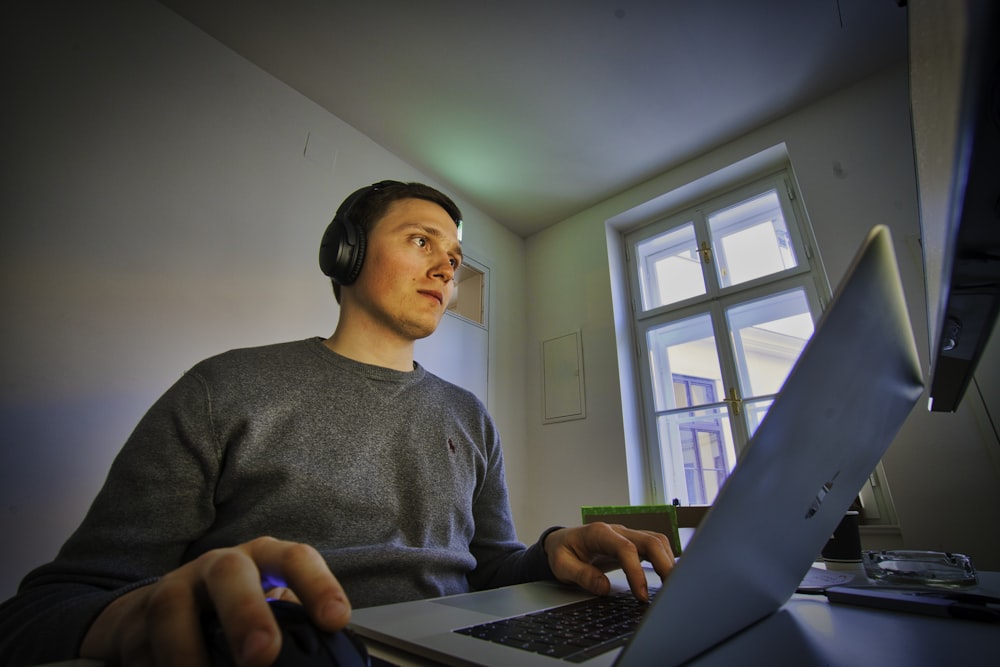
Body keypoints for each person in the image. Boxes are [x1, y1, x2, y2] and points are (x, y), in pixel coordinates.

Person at [0, 181, 674, 666]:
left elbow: (490, 565)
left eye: (456, 258)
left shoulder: (470, 415)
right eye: (421, 241)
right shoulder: (226, 388)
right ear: (345, 254)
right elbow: (44, 610)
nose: (449, 266)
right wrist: (133, 617)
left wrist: (554, 547)